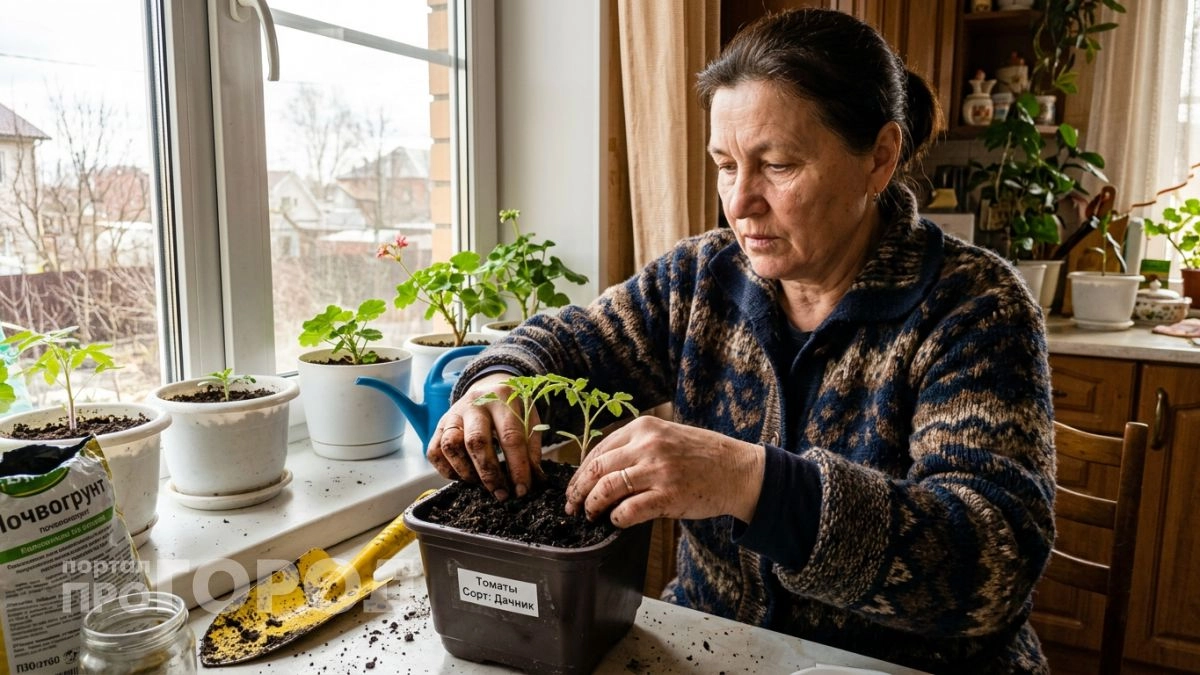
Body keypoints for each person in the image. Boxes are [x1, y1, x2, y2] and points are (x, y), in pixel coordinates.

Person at [427, 8, 1055, 674]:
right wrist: (500, 381)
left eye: (778, 165)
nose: (740, 201)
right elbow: (571, 341)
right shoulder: (702, 277)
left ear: (879, 158)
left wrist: (750, 482)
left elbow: (992, 561)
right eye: (725, 166)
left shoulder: (973, 307)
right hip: (712, 647)